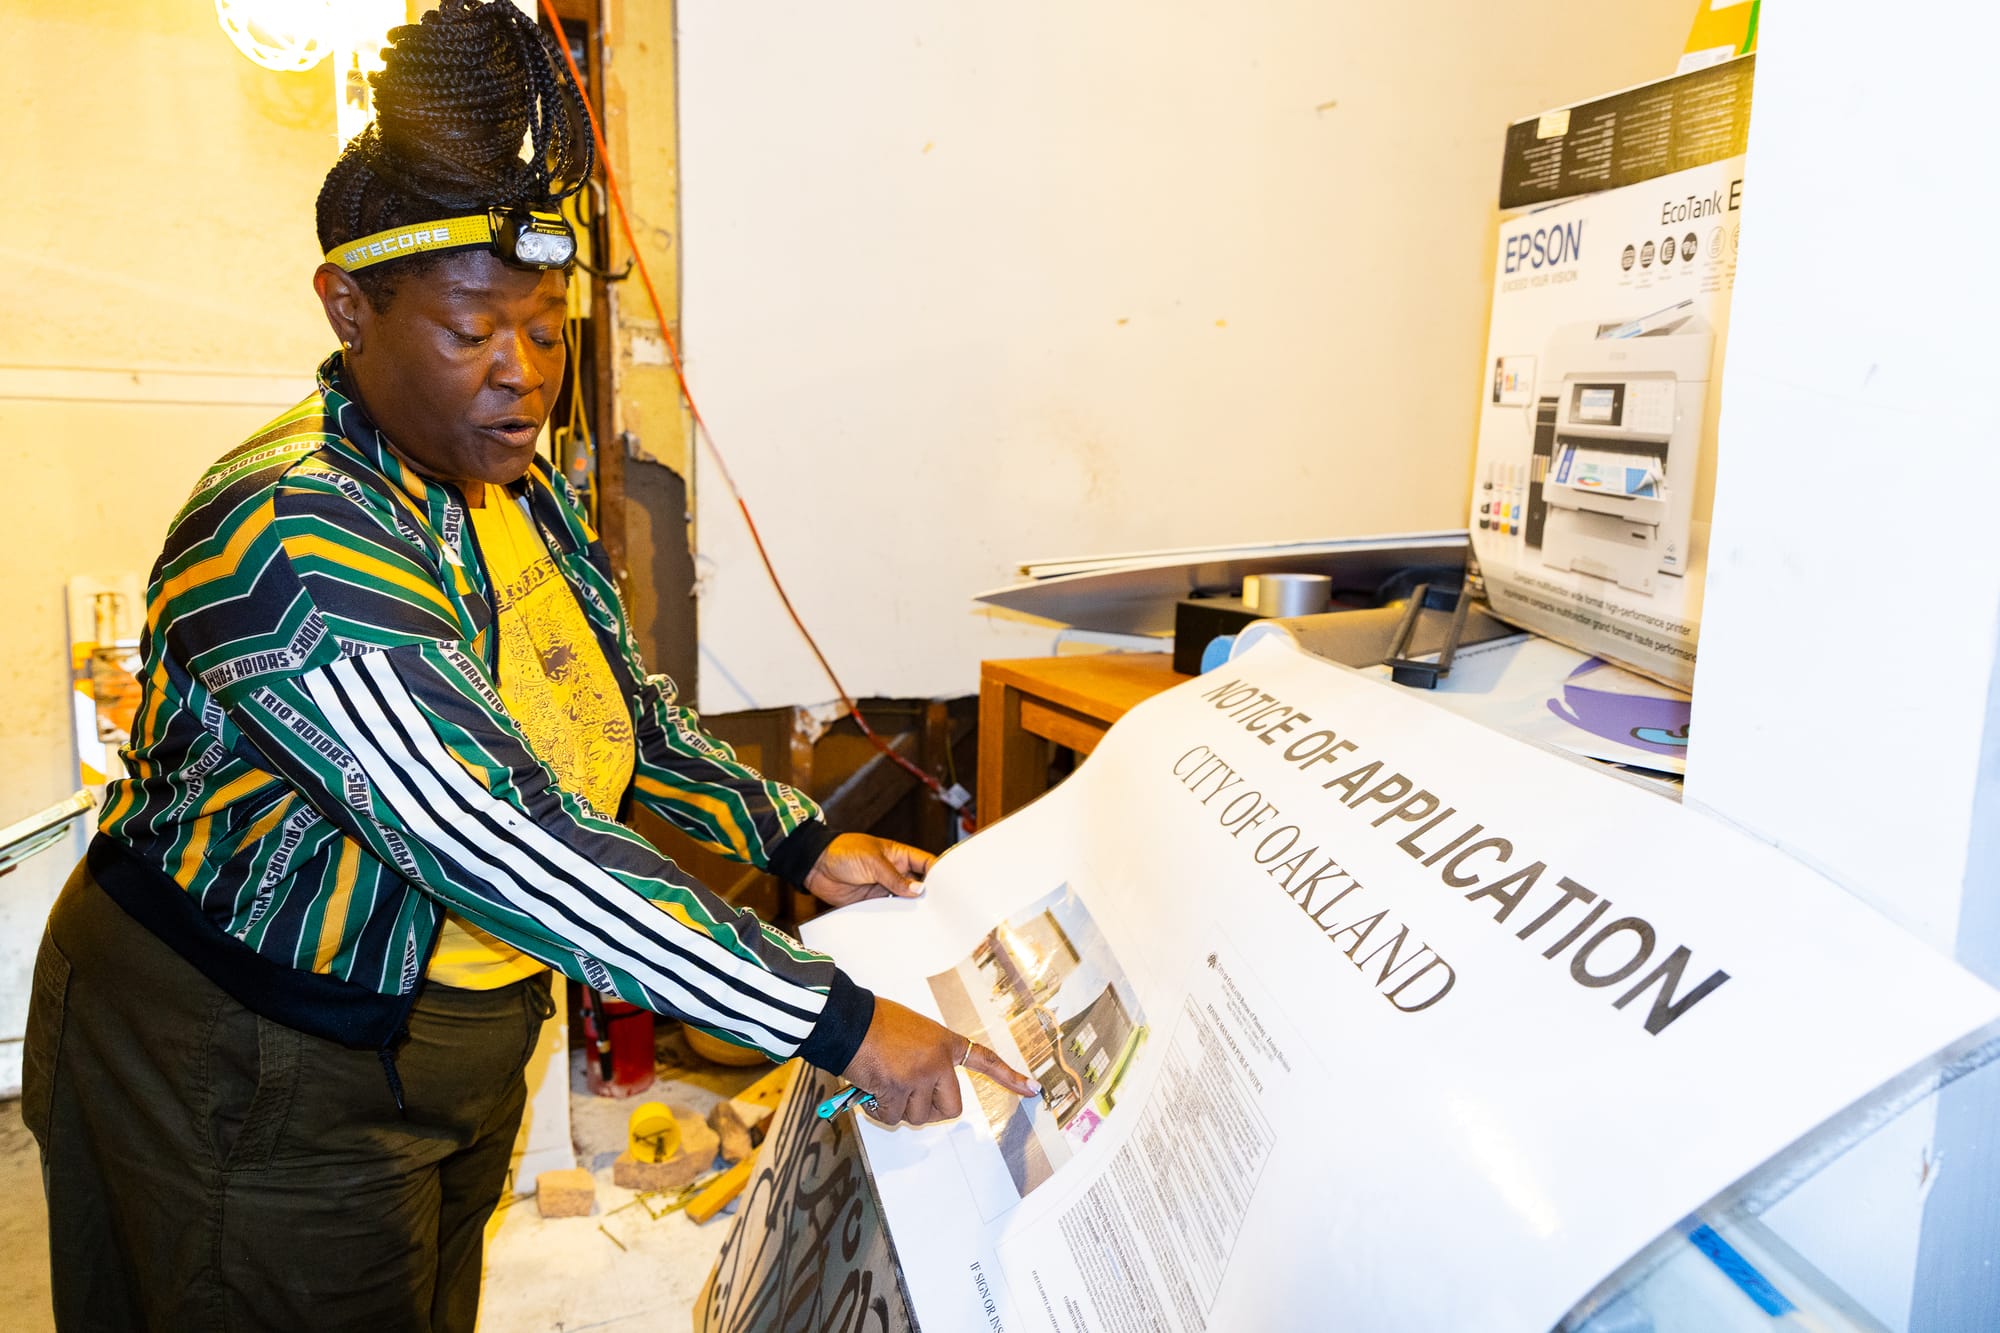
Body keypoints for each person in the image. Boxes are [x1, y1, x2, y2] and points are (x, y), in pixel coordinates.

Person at [21, 3, 1032, 1327]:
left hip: (441, 1026)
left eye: (547, 330)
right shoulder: (297, 535)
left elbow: (611, 707)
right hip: (247, 1048)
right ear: (348, 307)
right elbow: (497, 835)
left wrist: (793, 841)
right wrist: (832, 1021)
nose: (522, 378)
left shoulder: (510, 478)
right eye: (469, 331)